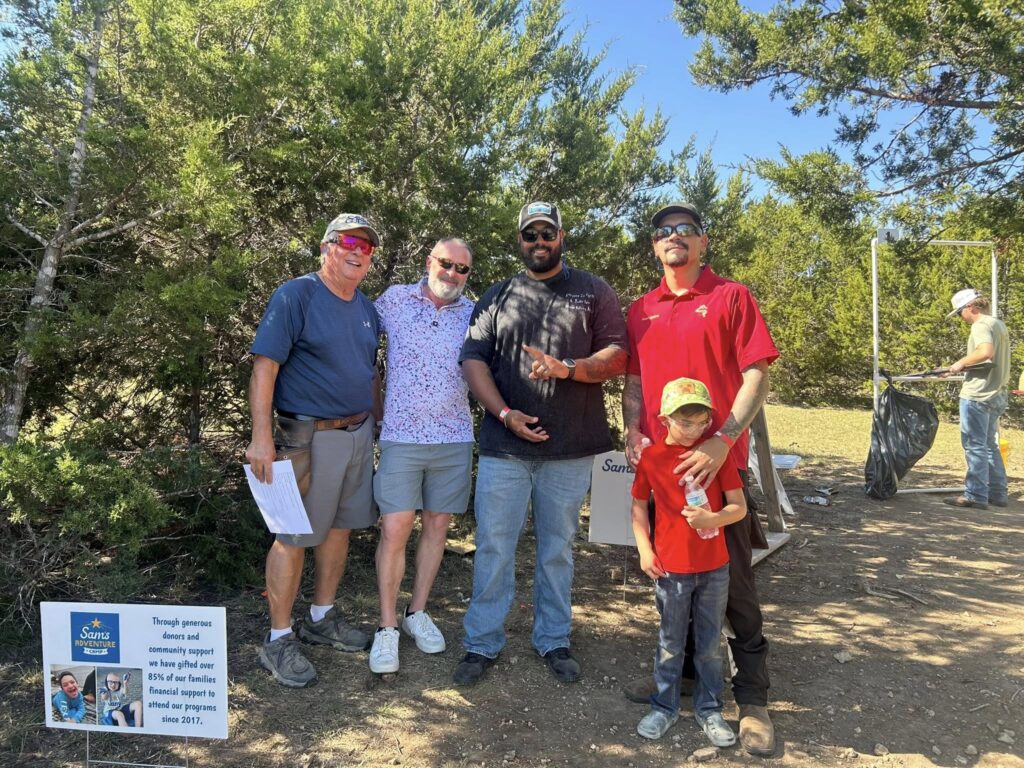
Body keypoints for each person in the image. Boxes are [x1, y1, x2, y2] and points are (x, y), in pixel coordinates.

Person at [622, 202, 780, 756]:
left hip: (718, 466)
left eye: (686, 230)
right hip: (663, 473)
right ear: (654, 245)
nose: (675, 237)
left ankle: (753, 698)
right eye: (664, 231)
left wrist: (723, 439)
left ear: (703, 241)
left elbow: (757, 373)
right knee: (674, 578)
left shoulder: (732, 297)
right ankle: (685, 678)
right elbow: (636, 380)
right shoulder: (640, 309)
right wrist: (630, 429)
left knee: (733, 585)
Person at [454, 201, 628, 685]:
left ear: (561, 237)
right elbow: (472, 360)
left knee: (557, 550)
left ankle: (553, 638)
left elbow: (618, 356)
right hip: (504, 449)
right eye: (530, 234)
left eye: (547, 233)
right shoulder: (497, 296)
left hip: (570, 450)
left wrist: (568, 368)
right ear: (520, 240)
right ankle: (481, 643)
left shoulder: (592, 290)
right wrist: (505, 415)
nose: (539, 242)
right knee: (493, 547)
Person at [247, 212, 384, 688]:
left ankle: (321, 618)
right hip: (306, 437)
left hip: (357, 433)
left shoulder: (367, 308)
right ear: (326, 247)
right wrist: (260, 437)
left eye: (366, 247)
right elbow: (265, 367)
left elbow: (368, 372)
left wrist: (378, 423)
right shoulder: (296, 295)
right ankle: (278, 638)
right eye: (348, 242)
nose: (357, 252)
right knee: (291, 535)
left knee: (339, 529)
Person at [369, 238, 476, 674]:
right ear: (429, 261)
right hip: (401, 437)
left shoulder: (473, 313)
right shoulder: (394, 300)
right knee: (395, 529)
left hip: (454, 438)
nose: (452, 273)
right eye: (446, 263)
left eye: (462, 268)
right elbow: (357, 342)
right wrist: (374, 409)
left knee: (437, 526)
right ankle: (387, 626)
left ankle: (417, 612)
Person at [631, 377, 747, 745]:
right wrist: (644, 549)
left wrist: (713, 519)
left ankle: (709, 709)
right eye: (685, 422)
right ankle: (663, 708)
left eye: (702, 422)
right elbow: (638, 507)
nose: (695, 430)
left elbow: (739, 508)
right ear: (664, 420)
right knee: (670, 642)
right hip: (671, 570)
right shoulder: (652, 458)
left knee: (709, 644)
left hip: (715, 569)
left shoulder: (717, 457)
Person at [942, 288, 1011, 509]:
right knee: (989, 445)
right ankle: (998, 494)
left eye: (960, 312)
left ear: (970, 307)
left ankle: (975, 495)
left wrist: (960, 363)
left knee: (975, 446)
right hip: (996, 393)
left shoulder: (980, 325)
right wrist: (959, 368)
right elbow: (989, 360)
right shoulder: (998, 324)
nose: (961, 317)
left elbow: (985, 352)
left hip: (978, 395)